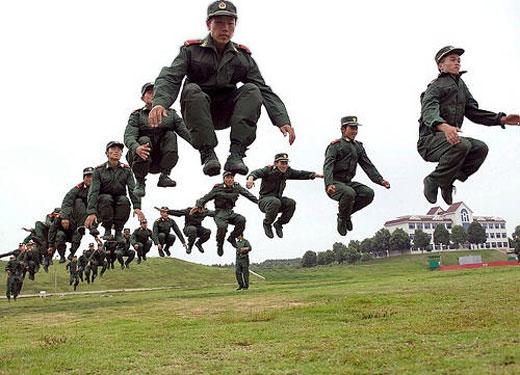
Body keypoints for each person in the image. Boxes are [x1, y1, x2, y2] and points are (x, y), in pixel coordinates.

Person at [148, 0, 295, 177]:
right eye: (219, 23)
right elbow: (170, 77)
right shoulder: (191, 51)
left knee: (252, 89)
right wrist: (160, 103)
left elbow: (263, 89)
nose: (225, 28)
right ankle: (208, 153)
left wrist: (282, 119)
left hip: (228, 112)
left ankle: (237, 155)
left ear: (235, 25)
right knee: (192, 89)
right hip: (199, 111)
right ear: (208, 24)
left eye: (230, 23)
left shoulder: (242, 57)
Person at [418, 46, 520, 205]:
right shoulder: (435, 86)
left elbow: (473, 112)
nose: (457, 63)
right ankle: (432, 180)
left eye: (459, 60)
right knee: (462, 144)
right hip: (429, 142)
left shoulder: (461, 86)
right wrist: (444, 126)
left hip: (450, 139)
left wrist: (501, 119)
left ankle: (447, 181)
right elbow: (428, 111)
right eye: (452, 60)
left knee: (480, 148)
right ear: (441, 65)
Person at [323, 116, 390, 236]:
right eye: (352, 128)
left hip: (348, 182)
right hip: (334, 184)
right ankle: (342, 219)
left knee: (368, 193)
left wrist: (380, 180)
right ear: (343, 129)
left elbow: (367, 165)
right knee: (349, 193)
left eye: (356, 128)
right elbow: (327, 166)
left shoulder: (358, 146)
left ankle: (345, 214)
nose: (355, 131)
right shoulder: (335, 146)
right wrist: (329, 184)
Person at [125, 83, 193, 197]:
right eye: (150, 92)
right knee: (144, 139)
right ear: (143, 98)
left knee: (171, 135)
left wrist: (201, 143)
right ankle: (140, 182)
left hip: (162, 159)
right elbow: (129, 135)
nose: (153, 95)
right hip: (142, 159)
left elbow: (185, 131)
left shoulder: (170, 114)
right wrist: (136, 147)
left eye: (156, 92)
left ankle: (164, 176)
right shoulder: (137, 115)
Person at [246, 153, 323, 238]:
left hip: (277, 201)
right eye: (282, 163)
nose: (284, 166)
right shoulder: (268, 170)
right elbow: (255, 173)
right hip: (264, 202)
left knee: (291, 203)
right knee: (275, 202)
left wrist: (317, 175)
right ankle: (267, 223)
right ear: (276, 163)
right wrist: (250, 180)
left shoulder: (288, 171)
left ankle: (279, 224)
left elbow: (301, 174)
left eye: (286, 163)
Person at [84, 141, 145, 242]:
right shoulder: (98, 170)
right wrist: (91, 212)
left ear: (121, 153)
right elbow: (93, 191)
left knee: (124, 200)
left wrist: (137, 207)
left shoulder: (127, 170)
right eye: (113, 149)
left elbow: (132, 188)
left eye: (119, 150)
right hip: (103, 201)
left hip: (120, 198)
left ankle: (118, 230)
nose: (116, 151)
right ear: (107, 153)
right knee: (106, 198)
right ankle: (107, 229)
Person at [192, 171, 258, 256]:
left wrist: (259, 202)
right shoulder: (218, 188)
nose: (230, 179)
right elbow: (205, 197)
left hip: (230, 212)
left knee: (241, 220)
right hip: (219, 212)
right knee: (222, 227)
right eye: (227, 178)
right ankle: (220, 245)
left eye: (231, 177)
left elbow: (248, 195)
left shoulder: (237, 187)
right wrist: (198, 205)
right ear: (224, 179)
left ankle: (232, 237)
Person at [61, 167, 100, 258]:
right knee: (78, 201)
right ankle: (72, 253)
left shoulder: (101, 187)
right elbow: (67, 201)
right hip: (80, 216)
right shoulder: (78, 188)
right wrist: (65, 217)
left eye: (92, 176)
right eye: (87, 176)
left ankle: (92, 228)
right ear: (84, 178)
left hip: (95, 215)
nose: (90, 179)